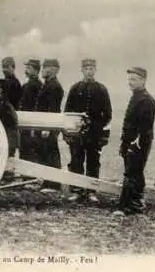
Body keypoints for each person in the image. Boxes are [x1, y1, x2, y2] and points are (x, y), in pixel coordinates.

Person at [64, 59, 112, 202]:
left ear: (95, 70)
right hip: (77, 133)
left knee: (93, 161)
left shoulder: (102, 90)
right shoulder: (75, 89)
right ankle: (76, 190)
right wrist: (69, 131)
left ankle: (91, 191)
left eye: (92, 68)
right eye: (86, 68)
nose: (89, 71)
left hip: (94, 133)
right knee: (76, 160)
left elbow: (108, 114)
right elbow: (67, 112)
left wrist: (100, 130)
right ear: (82, 70)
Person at [117, 67, 155, 215]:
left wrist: (134, 145)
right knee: (135, 173)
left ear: (143, 80)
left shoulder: (146, 100)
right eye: (129, 79)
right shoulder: (136, 97)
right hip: (131, 142)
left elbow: (144, 128)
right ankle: (137, 202)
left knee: (132, 173)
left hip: (138, 144)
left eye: (134, 79)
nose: (130, 82)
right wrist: (124, 143)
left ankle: (127, 207)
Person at [34, 58, 64, 193]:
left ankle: (54, 184)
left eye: (46, 68)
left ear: (54, 70)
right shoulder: (47, 84)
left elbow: (53, 109)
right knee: (45, 152)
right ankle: (48, 182)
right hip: (44, 124)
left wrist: (47, 127)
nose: (43, 70)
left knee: (51, 153)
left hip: (49, 125)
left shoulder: (54, 86)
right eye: (43, 67)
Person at [18, 59, 43, 163]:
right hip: (24, 126)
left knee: (31, 153)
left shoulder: (38, 86)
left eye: (29, 68)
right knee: (24, 152)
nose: (26, 70)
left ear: (36, 71)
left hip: (32, 125)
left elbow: (37, 108)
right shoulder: (25, 86)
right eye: (26, 68)